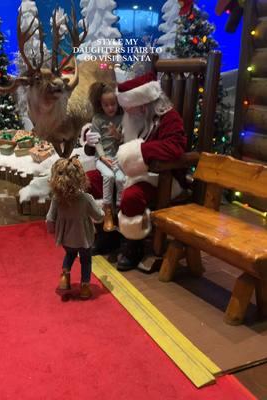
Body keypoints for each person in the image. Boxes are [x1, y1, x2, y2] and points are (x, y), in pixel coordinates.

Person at [84, 72, 187, 271]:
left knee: (131, 196)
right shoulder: (133, 117)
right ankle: (108, 232)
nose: (126, 110)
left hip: (157, 177)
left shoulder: (168, 117)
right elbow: (115, 144)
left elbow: (175, 148)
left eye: (130, 106)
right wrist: (91, 144)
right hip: (125, 170)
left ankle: (133, 244)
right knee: (88, 181)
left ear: (144, 102)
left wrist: (138, 152)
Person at [46, 156, 104, 299]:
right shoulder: (86, 199)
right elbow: (98, 216)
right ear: (80, 178)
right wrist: (103, 212)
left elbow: (49, 219)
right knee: (86, 260)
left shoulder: (56, 199)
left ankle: (65, 277)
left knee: (70, 254)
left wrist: (53, 231)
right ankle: (85, 287)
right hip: (84, 238)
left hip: (66, 238)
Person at [88, 81, 125, 232]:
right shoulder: (97, 119)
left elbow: (124, 139)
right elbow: (96, 140)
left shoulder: (122, 117)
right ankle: (107, 211)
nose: (110, 108)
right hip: (102, 158)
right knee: (108, 176)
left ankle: (120, 211)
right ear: (100, 105)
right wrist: (102, 157)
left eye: (113, 104)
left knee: (121, 178)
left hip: (117, 157)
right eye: (106, 105)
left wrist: (118, 136)